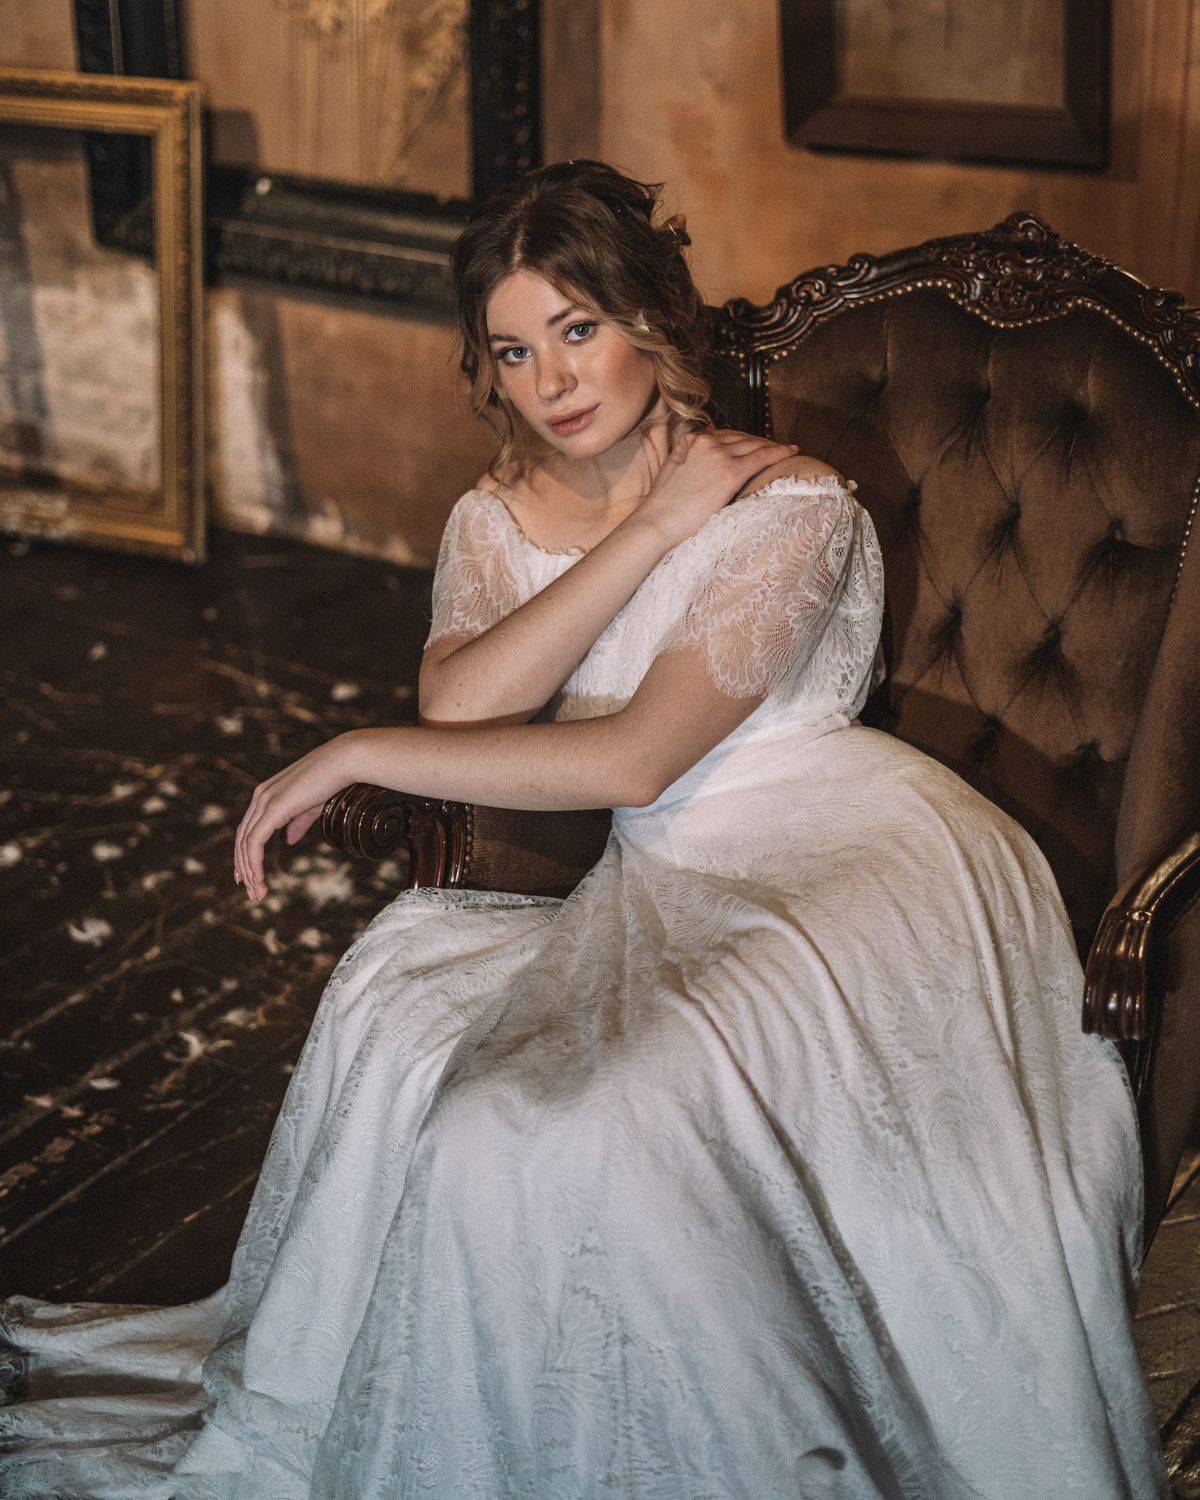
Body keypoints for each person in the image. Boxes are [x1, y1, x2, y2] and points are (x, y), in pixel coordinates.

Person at [0, 159, 1168, 1498]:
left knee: (585, 1118)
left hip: (855, 865)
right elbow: (460, 701)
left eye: (578, 327)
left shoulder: (790, 506)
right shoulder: (498, 518)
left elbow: (635, 756)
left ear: (650, 319)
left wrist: (354, 748)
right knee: (484, 1107)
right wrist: (649, 521)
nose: (552, 379)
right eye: (513, 350)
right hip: (670, 874)